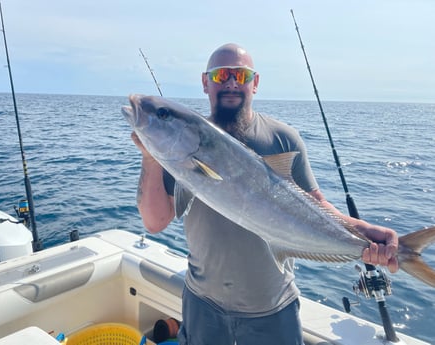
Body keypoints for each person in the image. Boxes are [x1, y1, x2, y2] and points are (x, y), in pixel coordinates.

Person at [131, 43, 399, 345]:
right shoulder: (178, 150)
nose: (231, 82)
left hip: (273, 309)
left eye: (240, 75)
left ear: (254, 83)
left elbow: (315, 205)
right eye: (221, 75)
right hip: (202, 304)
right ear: (206, 82)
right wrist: (150, 153)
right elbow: (155, 222)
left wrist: (363, 233)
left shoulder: (282, 138)